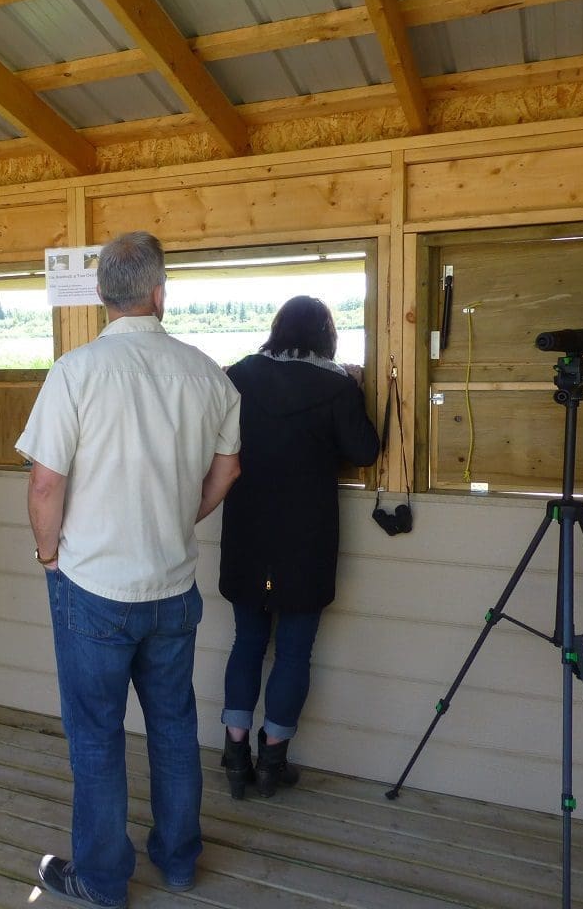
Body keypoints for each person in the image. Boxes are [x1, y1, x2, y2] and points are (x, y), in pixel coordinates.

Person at [16, 231, 241, 908]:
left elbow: (45, 486)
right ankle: (177, 861)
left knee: (96, 735)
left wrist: (49, 557)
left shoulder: (75, 372)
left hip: (91, 589)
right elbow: (228, 469)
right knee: (173, 726)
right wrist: (179, 518)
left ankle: (103, 881)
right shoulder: (209, 374)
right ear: (159, 294)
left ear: (101, 296)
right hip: (173, 586)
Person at [217, 295, 379, 799]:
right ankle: (272, 761)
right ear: (326, 336)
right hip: (306, 538)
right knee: (293, 653)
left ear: (277, 328)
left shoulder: (240, 375)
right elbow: (364, 451)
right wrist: (356, 388)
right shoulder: (335, 385)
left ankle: (234, 753)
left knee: (246, 643)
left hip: (248, 528)